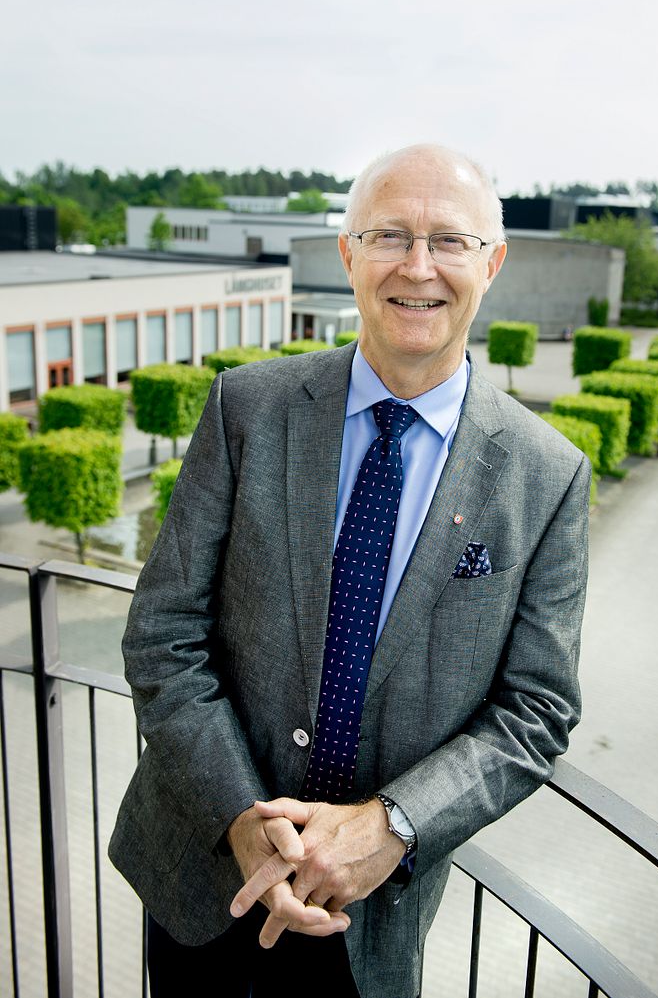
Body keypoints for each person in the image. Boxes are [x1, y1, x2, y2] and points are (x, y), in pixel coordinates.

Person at [110, 143, 591, 998]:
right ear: (347, 254)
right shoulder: (245, 409)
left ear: (495, 261)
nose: (418, 266)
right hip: (200, 878)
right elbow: (163, 634)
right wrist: (241, 820)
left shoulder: (547, 476)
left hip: (367, 923)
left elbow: (536, 710)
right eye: (388, 235)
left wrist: (395, 826)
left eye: (449, 240)